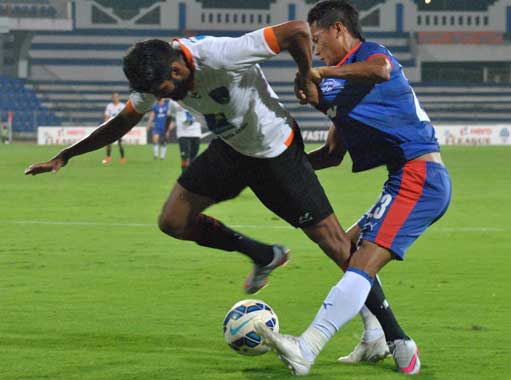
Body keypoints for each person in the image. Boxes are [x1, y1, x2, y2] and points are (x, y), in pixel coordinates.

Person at [25, 20, 404, 354]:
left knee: (337, 245)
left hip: (277, 151)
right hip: (231, 149)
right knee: (173, 220)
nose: (161, 98)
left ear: (178, 65)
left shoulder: (222, 55)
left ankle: (392, 335)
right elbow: (123, 122)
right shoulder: (154, 73)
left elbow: (297, 31)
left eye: (164, 89)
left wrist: (306, 74)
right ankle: (263, 254)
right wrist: (67, 154)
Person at [255, 0, 451, 376]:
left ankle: (307, 347)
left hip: (421, 178)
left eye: (317, 40)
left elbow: (381, 69)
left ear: (339, 30)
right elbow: (331, 154)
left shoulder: (371, 57)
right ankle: (386, 337)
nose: (314, 49)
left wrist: (321, 71)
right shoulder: (343, 90)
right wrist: (278, 165)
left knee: (360, 264)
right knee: (346, 249)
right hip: (403, 179)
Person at [167, 100, 202, 172]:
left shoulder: (198, 98)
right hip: (183, 134)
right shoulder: (173, 101)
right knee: (185, 156)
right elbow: (169, 115)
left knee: (194, 157)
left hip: (196, 133)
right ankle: (184, 177)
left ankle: (193, 176)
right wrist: (166, 131)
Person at [102, 93, 126, 164]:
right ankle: (108, 157)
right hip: (111, 126)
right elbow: (106, 116)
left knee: (120, 143)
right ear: (112, 98)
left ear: (119, 97)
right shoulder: (109, 106)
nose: (115, 98)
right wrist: (105, 125)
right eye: (114, 97)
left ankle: (122, 158)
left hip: (119, 127)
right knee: (108, 142)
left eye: (116, 97)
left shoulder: (122, 106)